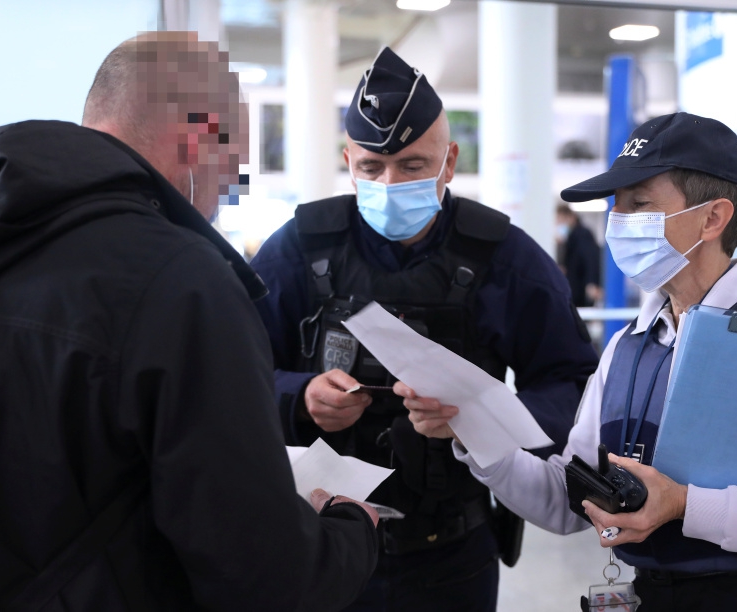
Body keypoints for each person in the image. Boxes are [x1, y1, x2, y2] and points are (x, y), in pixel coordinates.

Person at [0, 32, 379, 610]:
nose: (225, 195)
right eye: (233, 168)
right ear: (202, 135)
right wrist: (349, 532)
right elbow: (264, 575)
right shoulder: (180, 280)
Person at [399, 112, 737, 611]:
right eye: (616, 206)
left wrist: (685, 505)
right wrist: (473, 430)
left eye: (639, 205)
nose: (618, 221)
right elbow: (567, 502)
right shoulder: (627, 347)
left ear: (713, 218)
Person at [251, 47, 599, 612]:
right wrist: (299, 396)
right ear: (348, 160)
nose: (389, 183)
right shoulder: (299, 248)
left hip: (451, 555)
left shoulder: (505, 259)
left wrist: (481, 421)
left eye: (413, 166)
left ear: (449, 160)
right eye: (371, 168)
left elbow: (574, 385)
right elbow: (228, 377)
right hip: (319, 544)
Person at [556, 203, 602, 306]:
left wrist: (592, 282)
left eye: (561, 220)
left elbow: (591, 259)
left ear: (570, 218)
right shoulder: (568, 238)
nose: (559, 224)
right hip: (574, 288)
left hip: (581, 288)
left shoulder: (583, 234)